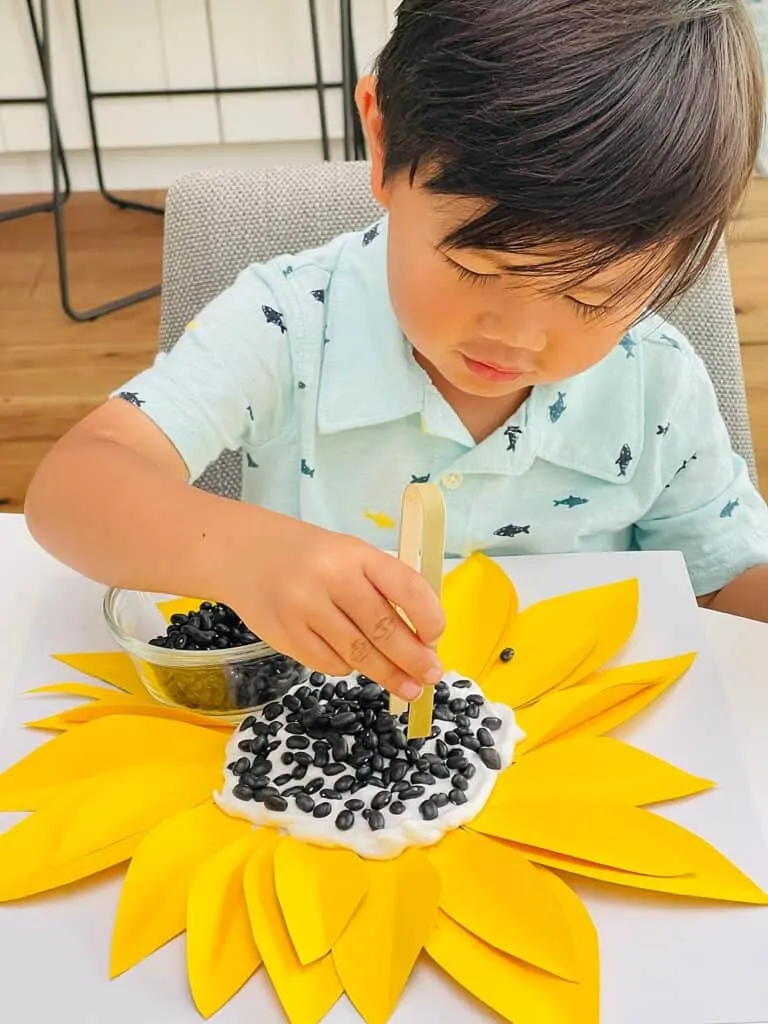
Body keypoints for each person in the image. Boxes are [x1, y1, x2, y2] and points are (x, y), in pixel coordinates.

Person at [25, 0, 768, 701]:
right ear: (381, 142)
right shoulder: (286, 322)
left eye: (593, 297)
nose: (516, 334)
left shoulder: (657, 382)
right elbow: (73, 491)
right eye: (477, 267)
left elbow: (723, 581)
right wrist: (240, 554)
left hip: (580, 758)